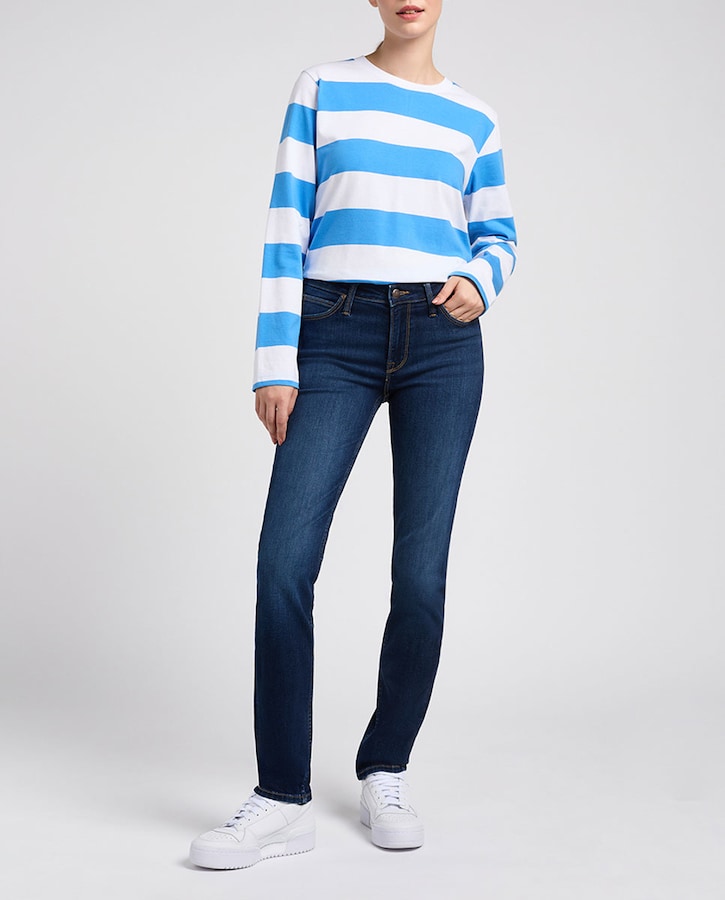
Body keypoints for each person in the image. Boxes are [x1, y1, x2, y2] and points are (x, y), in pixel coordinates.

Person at [190, 0, 517, 869]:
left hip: (442, 344)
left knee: (421, 573)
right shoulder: (323, 88)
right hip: (330, 331)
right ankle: (279, 796)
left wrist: (481, 279)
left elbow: (499, 232)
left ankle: (386, 766)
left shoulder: (474, 116)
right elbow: (285, 224)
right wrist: (274, 359)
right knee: (283, 562)